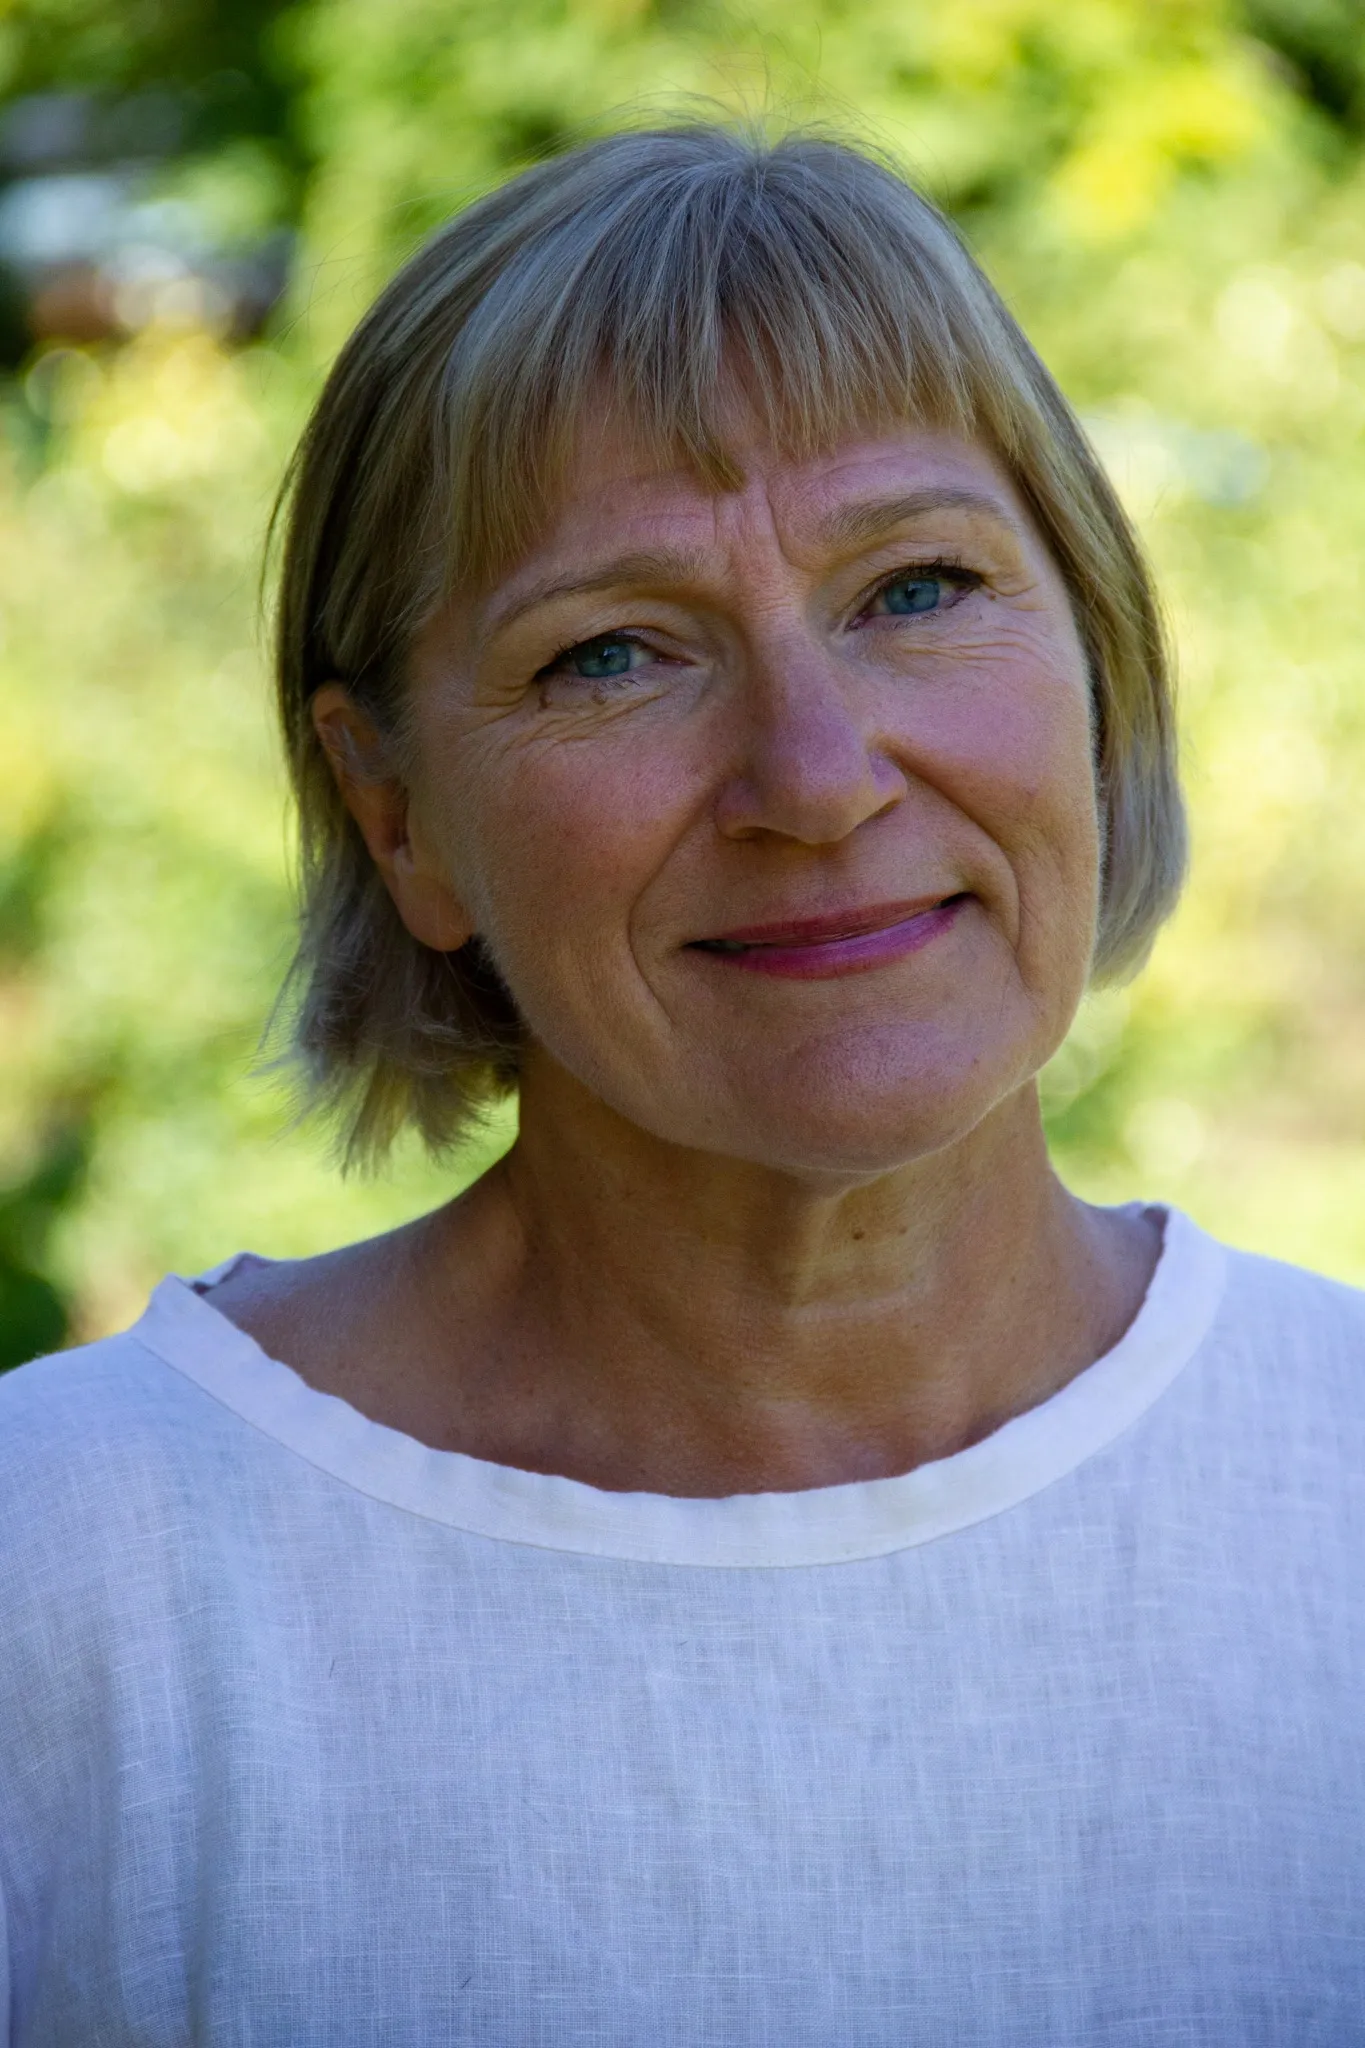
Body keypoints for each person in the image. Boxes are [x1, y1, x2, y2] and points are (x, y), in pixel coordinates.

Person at [1, 122, 1361, 2046]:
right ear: (400, 821)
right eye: (616, 653)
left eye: (915, 588)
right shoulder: (68, 1583)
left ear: (1098, 665)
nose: (817, 779)